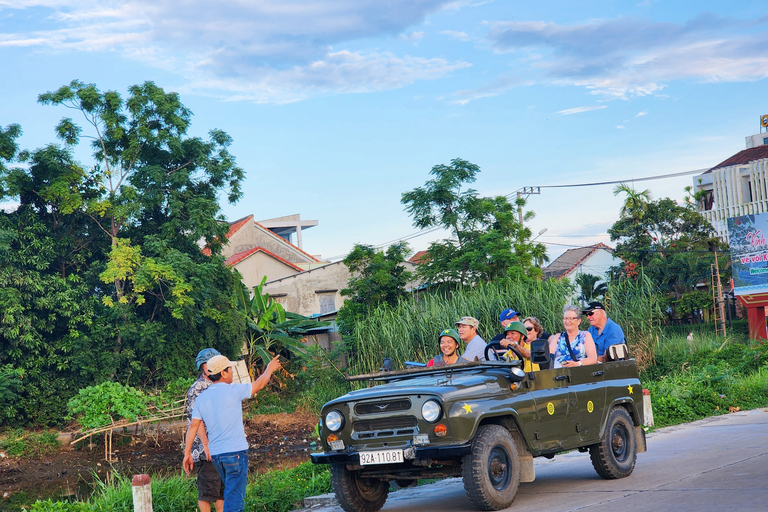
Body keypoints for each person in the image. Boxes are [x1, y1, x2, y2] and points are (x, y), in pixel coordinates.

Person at [183, 355, 281, 512]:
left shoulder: (202, 398)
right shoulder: (233, 390)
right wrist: (269, 369)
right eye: (230, 369)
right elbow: (259, 385)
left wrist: (187, 453)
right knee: (234, 498)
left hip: (217, 456)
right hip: (235, 453)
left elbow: (193, 426)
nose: (233, 373)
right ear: (223, 373)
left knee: (229, 493)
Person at [187, 348, 225, 512]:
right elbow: (198, 422)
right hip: (206, 450)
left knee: (221, 492)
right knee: (208, 493)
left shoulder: (215, 385)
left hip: (219, 447)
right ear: (204, 366)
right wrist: (207, 445)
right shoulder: (199, 388)